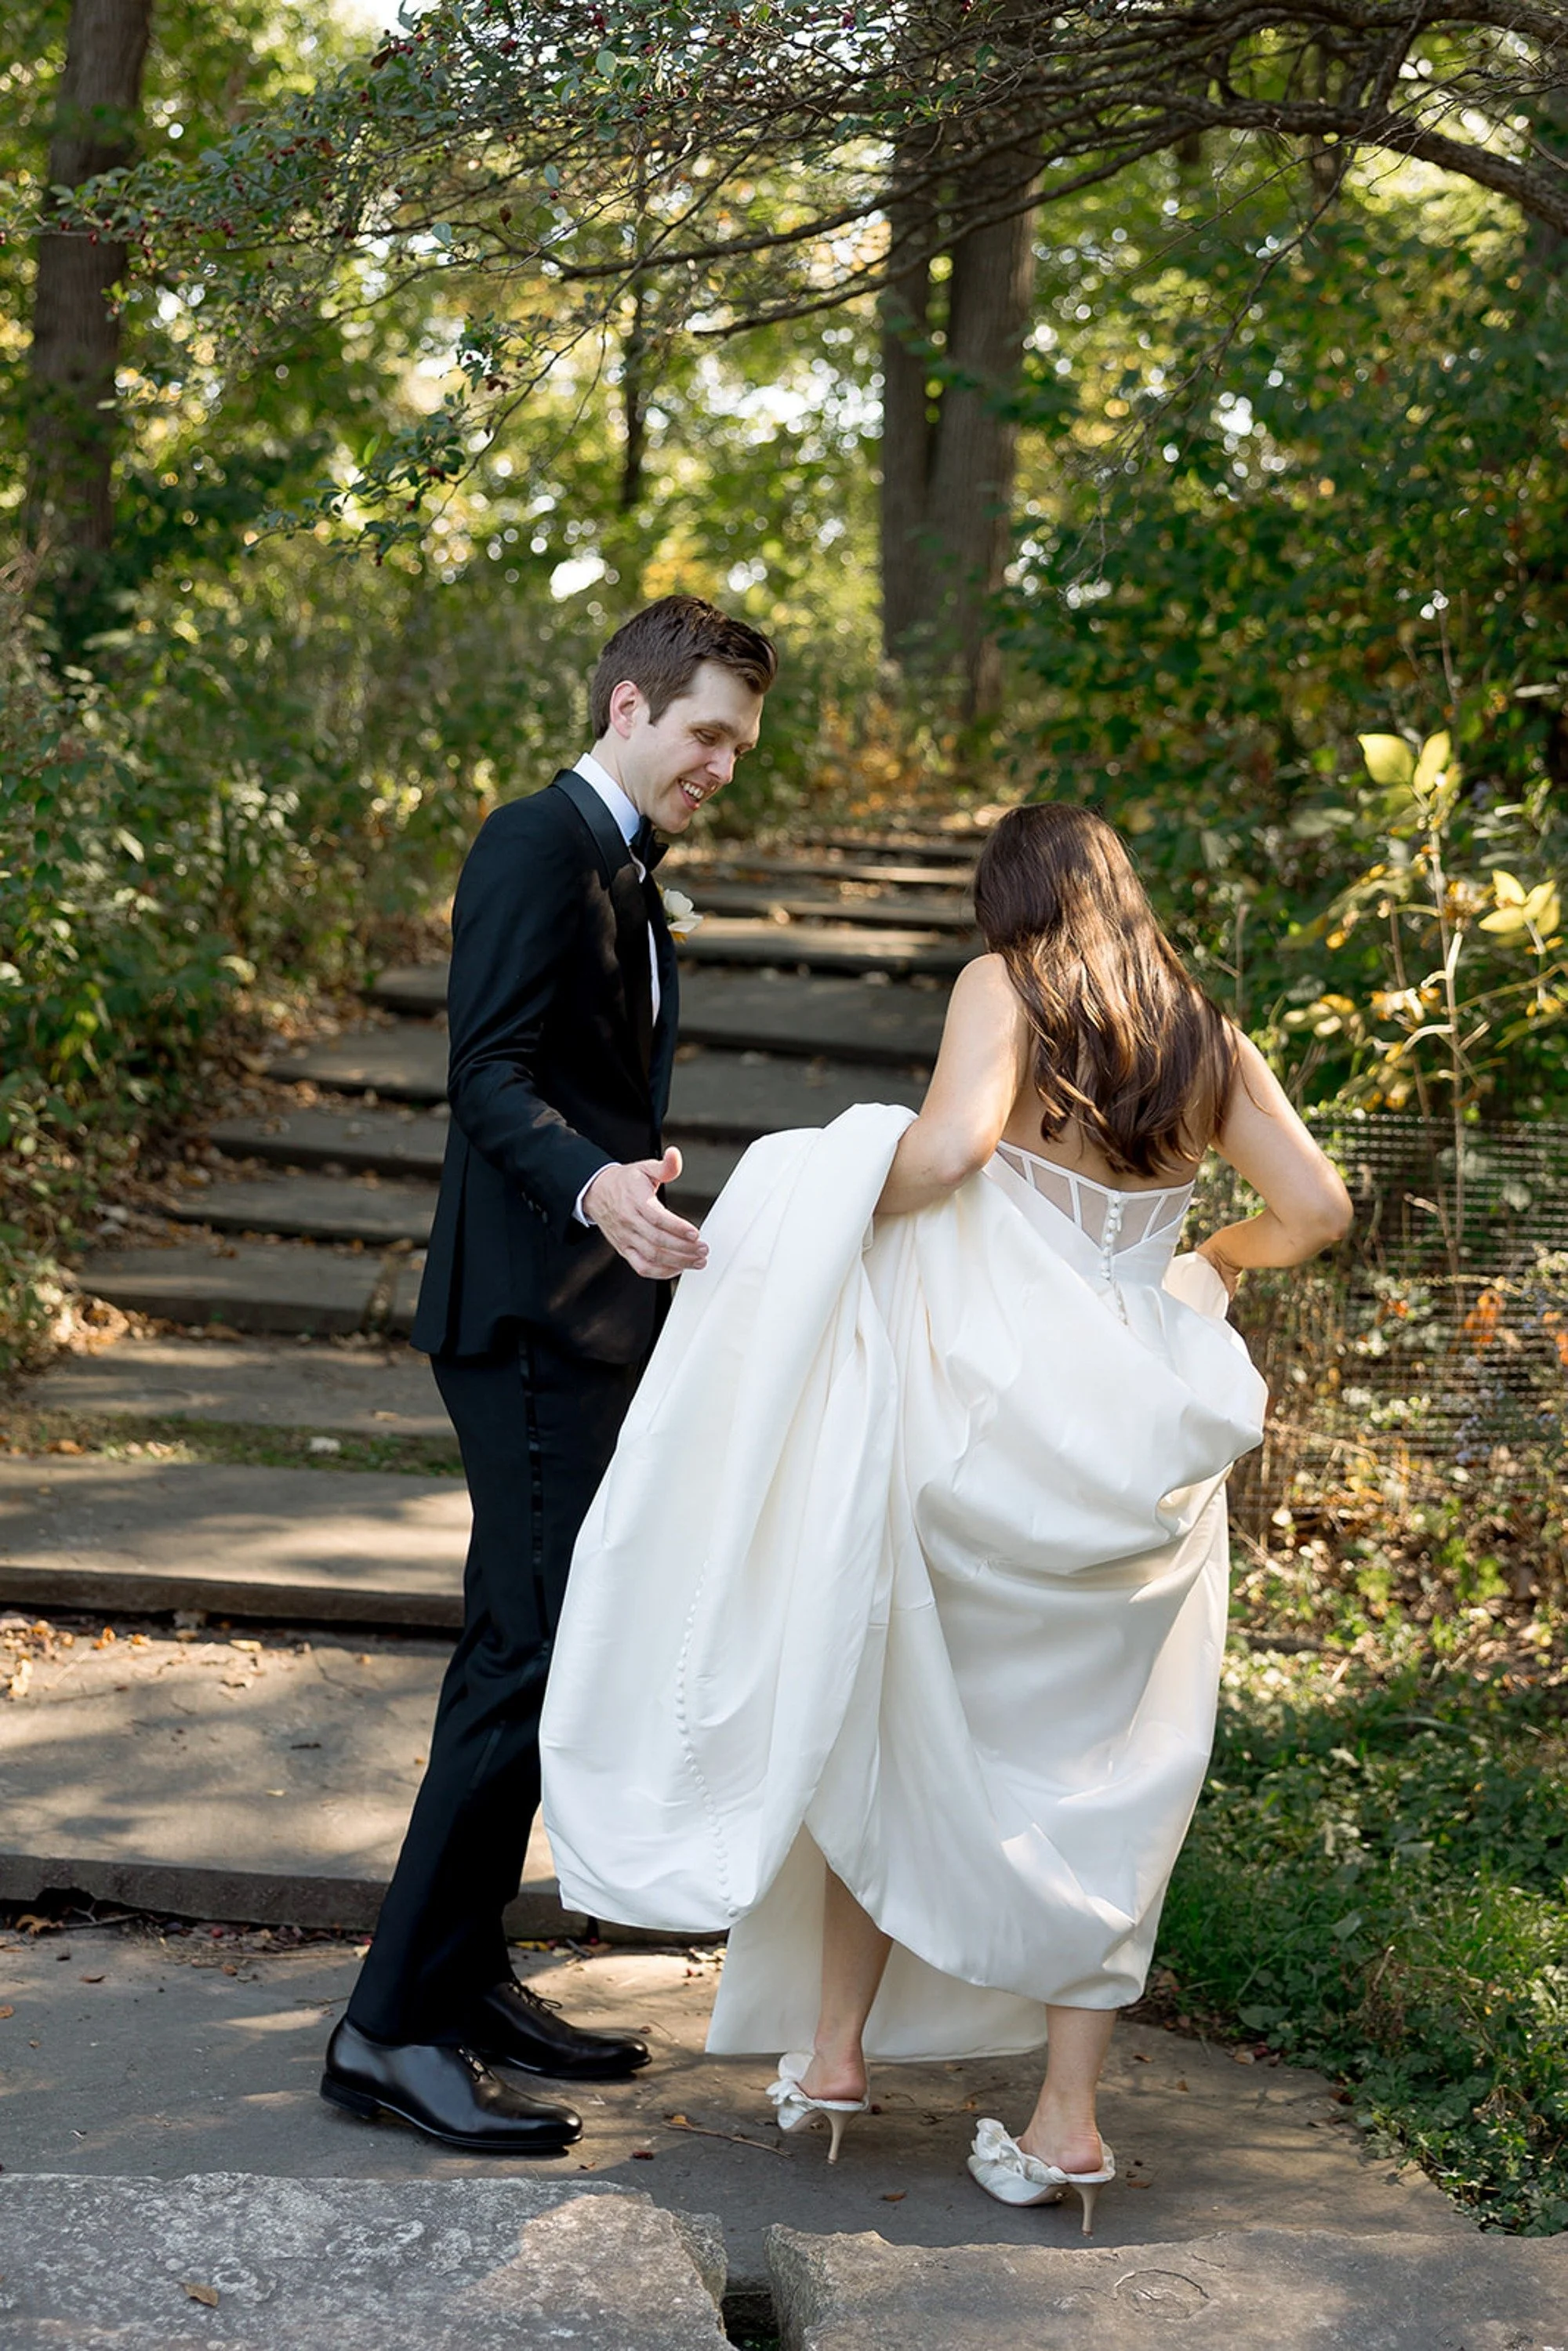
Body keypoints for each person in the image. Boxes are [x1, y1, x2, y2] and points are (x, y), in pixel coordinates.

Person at [540, 801, 1352, 2226]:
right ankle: (1067, 2123)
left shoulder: (1010, 984)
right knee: (1108, 1768)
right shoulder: (1202, 1034)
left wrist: (814, 1179)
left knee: (898, 1719)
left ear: (1014, 900)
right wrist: (1209, 1262)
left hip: (993, 1418)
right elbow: (1319, 1206)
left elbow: (952, 1151)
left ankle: (839, 2056)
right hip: (1145, 1436)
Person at [321, 595, 778, 2153]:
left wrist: (630, 1189)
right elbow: (487, 1077)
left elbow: (581, 1088)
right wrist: (593, 1189)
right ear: (630, 705)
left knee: (533, 1658)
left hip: (585, 1313)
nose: (723, 762)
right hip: (524, 1320)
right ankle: (385, 2029)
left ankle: (461, 1980)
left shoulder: (630, 874)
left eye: (739, 742)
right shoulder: (536, 842)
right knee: (519, 1666)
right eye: (708, 729)